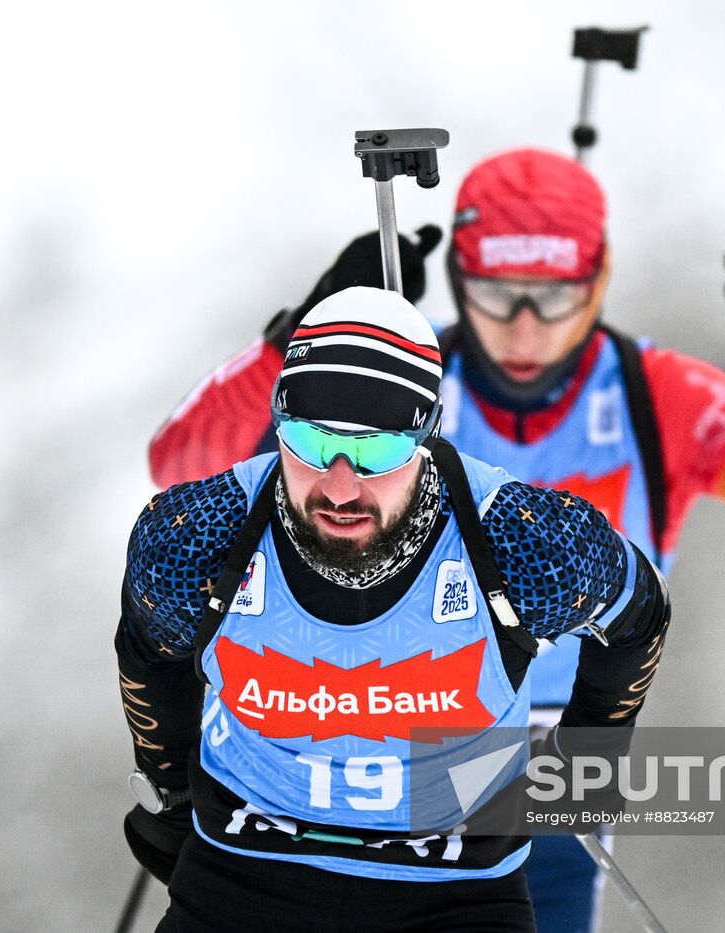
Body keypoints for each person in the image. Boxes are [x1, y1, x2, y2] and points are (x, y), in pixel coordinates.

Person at [145, 147, 725, 932]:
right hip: (337, 753)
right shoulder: (396, 388)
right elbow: (180, 467)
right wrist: (301, 335)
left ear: (599, 277)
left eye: (554, 295)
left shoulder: (664, 399)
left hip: (543, 778)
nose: (525, 327)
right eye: (497, 292)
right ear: (459, 277)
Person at [115, 286, 672, 932]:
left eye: (378, 451)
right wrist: (171, 789)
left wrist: (587, 758)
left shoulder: (521, 543)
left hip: (454, 893)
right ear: (279, 423)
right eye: (311, 442)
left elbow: (640, 613)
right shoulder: (197, 538)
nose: (341, 485)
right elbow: (148, 646)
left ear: (427, 435)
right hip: (243, 876)